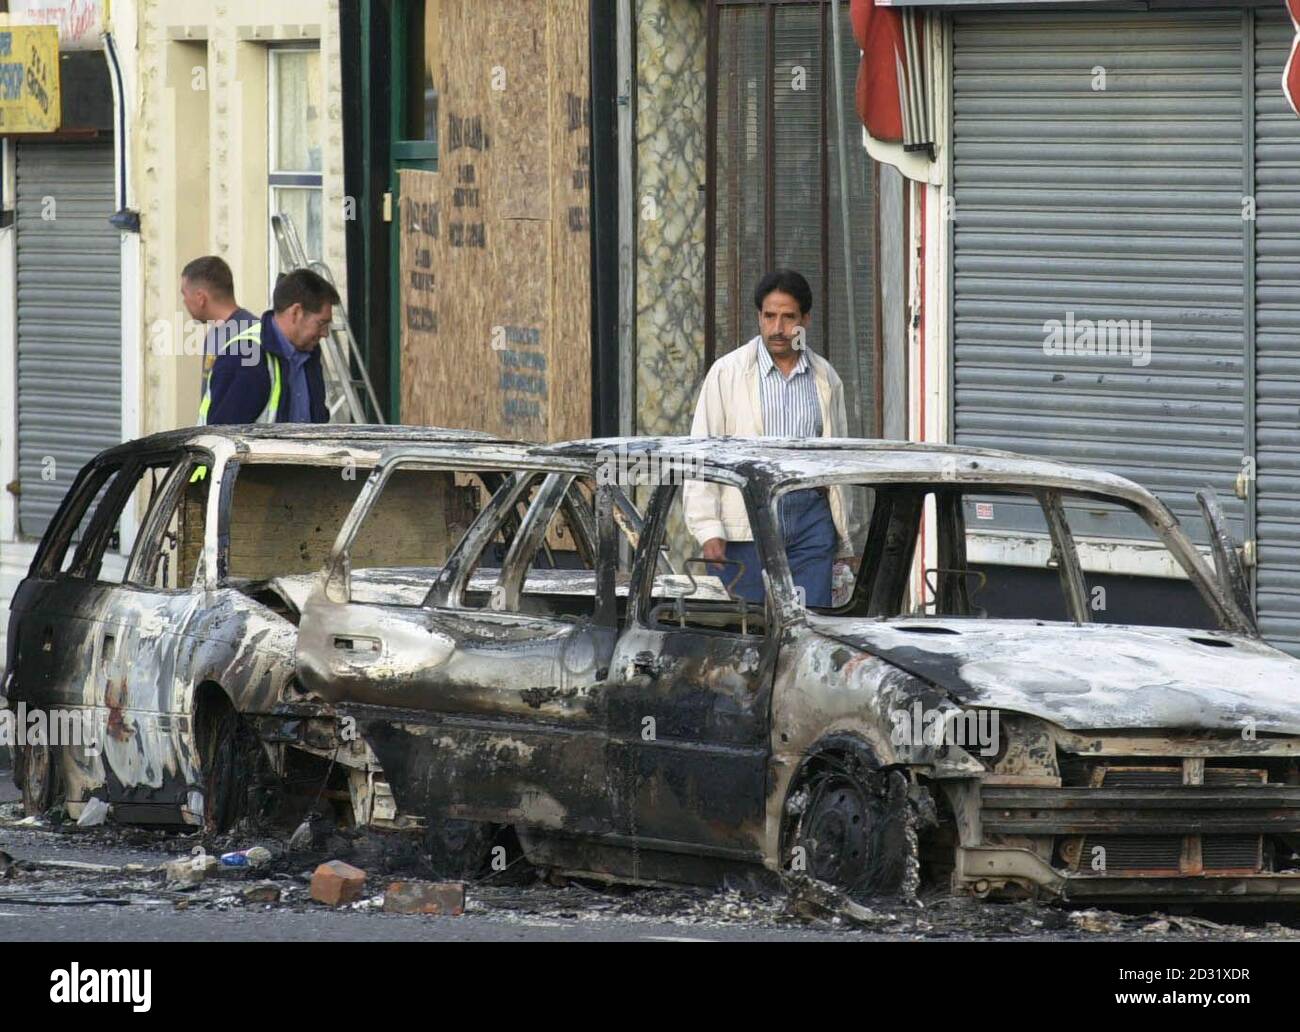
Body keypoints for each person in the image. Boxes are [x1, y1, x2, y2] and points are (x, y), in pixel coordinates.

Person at [684, 269, 855, 607]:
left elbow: (840, 458)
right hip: (746, 528)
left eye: (788, 317)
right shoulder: (728, 373)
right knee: (749, 632)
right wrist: (708, 527)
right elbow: (700, 453)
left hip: (810, 527)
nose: (778, 328)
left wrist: (842, 537)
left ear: (805, 319)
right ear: (758, 317)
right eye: (769, 316)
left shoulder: (824, 377)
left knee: (810, 626)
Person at [197, 267, 339, 425]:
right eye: (321, 323)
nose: (325, 333)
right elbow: (225, 437)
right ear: (296, 312)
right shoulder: (245, 356)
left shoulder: (309, 354)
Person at [180, 255, 258, 410]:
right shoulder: (215, 334)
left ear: (201, 298)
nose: (184, 302)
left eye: (184, 294)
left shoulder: (249, 337)